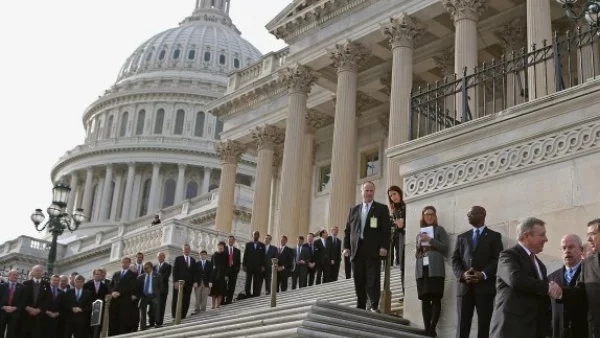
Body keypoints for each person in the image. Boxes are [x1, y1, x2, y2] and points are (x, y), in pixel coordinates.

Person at [489, 217, 555, 338]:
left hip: (533, 331)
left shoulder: (540, 265)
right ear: (527, 236)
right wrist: (548, 288)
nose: (546, 239)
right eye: (542, 235)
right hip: (511, 330)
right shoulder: (508, 256)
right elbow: (516, 280)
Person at [451, 206, 503, 338]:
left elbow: (498, 259)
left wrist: (483, 274)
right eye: (467, 213)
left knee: (484, 326)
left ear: (482, 215)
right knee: (462, 326)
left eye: (472, 213)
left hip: (485, 289)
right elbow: (455, 259)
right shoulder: (462, 237)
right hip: (464, 289)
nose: (468, 215)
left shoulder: (494, 236)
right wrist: (462, 275)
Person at [343, 181, 391, 313]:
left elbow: (385, 230)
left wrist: (384, 247)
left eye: (371, 191)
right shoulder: (353, 210)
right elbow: (348, 231)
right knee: (359, 279)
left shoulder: (381, 209)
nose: (369, 193)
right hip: (356, 250)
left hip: (373, 250)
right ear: (362, 192)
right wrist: (346, 247)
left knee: (373, 279)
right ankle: (361, 305)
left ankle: (374, 305)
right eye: (366, 190)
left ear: (374, 192)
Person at [562, 218, 600, 337]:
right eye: (588, 235)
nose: (588, 239)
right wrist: (560, 292)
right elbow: (580, 294)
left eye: (593, 234)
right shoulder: (587, 264)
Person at [415, 206, 449, 337]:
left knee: (435, 297)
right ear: (423, 217)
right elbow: (416, 253)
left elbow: (445, 248)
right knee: (424, 298)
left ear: (435, 216)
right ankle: (426, 327)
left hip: (435, 267)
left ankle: (432, 328)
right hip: (422, 267)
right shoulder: (420, 233)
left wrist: (430, 240)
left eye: (431, 214)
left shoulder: (440, 230)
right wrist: (419, 244)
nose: (429, 217)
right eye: (426, 214)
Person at [547, 234, 587, 338]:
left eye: (571, 247)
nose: (567, 251)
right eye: (564, 248)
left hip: (584, 332)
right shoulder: (551, 278)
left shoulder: (590, 273)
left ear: (581, 249)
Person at [109, 256, 139, 335]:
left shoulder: (133, 275)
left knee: (124, 319)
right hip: (115, 300)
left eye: (126, 262)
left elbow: (132, 286)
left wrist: (120, 292)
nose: (124, 264)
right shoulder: (116, 274)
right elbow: (111, 286)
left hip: (125, 300)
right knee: (114, 319)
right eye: (123, 262)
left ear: (129, 263)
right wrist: (112, 292)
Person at [21, 264, 49, 338]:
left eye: (40, 271)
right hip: (26, 314)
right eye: (36, 270)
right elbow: (21, 298)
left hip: (39, 316)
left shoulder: (46, 285)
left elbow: (47, 300)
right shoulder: (25, 284)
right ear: (32, 272)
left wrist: (39, 309)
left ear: (43, 273)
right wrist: (28, 308)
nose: (38, 272)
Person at [387, 186, 406, 291]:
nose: (393, 197)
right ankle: (404, 292)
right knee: (402, 267)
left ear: (399, 193)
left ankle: (406, 292)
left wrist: (394, 222)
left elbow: (400, 225)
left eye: (394, 194)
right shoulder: (396, 210)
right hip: (400, 238)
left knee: (404, 266)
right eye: (390, 195)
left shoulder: (404, 206)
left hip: (406, 237)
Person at [172, 244, 195, 319]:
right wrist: (175, 281)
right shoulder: (178, 259)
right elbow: (175, 271)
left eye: (188, 249)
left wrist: (194, 282)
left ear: (190, 250)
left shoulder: (193, 260)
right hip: (179, 283)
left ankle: (183, 315)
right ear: (183, 250)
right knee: (177, 299)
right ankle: (175, 315)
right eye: (185, 249)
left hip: (189, 284)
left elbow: (194, 272)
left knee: (186, 300)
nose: (187, 250)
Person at [0, 270, 25, 338]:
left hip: (15, 313)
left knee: (12, 332)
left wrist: (15, 308)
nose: (15, 276)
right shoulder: (2, 286)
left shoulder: (22, 287)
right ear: (9, 276)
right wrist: (3, 307)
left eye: (16, 275)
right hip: (2, 312)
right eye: (13, 274)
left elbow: (23, 300)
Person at [138, 262, 161, 330]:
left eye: (146, 268)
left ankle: (156, 323)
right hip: (144, 296)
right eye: (144, 268)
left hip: (154, 295)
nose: (145, 270)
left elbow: (160, 286)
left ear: (151, 267)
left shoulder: (157, 275)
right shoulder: (140, 277)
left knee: (155, 308)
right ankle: (142, 326)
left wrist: (157, 294)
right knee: (142, 309)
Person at [242, 231, 266, 297]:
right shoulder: (248, 244)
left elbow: (263, 256)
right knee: (248, 280)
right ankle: (247, 293)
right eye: (254, 234)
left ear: (259, 236)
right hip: (249, 266)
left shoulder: (262, 245)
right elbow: (245, 255)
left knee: (256, 280)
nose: (256, 235)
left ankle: (255, 294)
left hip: (258, 266)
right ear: (252, 235)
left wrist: (263, 266)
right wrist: (244, 265)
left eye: (257, 234)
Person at [154, 252, 171, 327]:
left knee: (161, 306)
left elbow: (165, 276)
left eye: (161, 256)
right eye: (158, 256)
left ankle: (159, 322)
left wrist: (156, 278)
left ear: (164, 257)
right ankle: (153, 321)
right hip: (155, 290)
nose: (160, 258)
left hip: (163, 289)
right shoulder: (154, 267)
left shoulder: (168, 266)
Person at [210, 242, 229, 309]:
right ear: (218, 246)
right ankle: (212, 305)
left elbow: (227, 266)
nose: (220, 247)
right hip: (215, 274)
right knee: (213, 290)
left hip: (223, 274)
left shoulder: (226, 255)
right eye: (219, 246)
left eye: (222, 246)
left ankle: (218, 305)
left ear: (224, 247)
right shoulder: (214, 254)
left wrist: (226, 275)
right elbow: (211, 265)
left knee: (221, 290)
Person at [224, 236, 241, 305]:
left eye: (232, 240)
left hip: (233, 272)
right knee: (223, 287)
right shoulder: (224, 249)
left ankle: (229, 301)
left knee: (231, 287)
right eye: (230, 240)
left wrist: (236, 270)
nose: (231, 241)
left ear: (234, 241)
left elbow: (238, 263)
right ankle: (222, 301)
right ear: (227, 240)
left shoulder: (237, 251)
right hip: (225, 271)